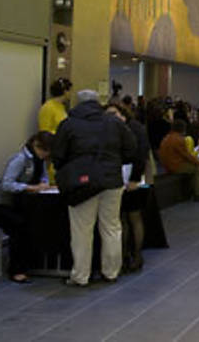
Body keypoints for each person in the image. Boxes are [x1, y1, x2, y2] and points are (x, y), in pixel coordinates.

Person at [52, 89, 136, 287]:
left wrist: (71, 169)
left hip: (83, 184)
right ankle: (111, 272)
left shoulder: (69, 124)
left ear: (78, 103)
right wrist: (114, 163)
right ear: (98, 102)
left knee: (82, 230)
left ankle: (81, 276)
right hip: (112, 181)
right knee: (111, 227)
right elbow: (132, 149)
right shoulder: (114, 122)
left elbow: (58, 155)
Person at [0, 131, 54, 283]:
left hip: (15, 204)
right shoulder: (20, 159)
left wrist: (43, 185)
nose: (45, 155)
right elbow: (7, 184)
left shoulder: (39, 162)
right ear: (36, 145)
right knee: (20, 227)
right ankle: (16, 270)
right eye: (44, 151)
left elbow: (43, 178)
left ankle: (30, 264)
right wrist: (30, 187)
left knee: (32, 223)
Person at [106, 102, 149, 273]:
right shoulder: (116, 128)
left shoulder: (134, 128)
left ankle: (136, 255)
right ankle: (123, 256)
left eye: (114, 113)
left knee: (133, 217)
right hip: (118, 178)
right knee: (121, 218)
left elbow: (141, 152)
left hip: (132, 178)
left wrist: (135, 178)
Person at [158, 119, 199, 201]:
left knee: (192, 166)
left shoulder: (166, 138)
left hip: (167, 165)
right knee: (196, 168)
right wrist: (198, 161)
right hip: (176, 166)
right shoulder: (179, 139)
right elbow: (187, 155)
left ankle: (193, 191)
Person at [38, 77, 72, 185]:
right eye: (70, 90)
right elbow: (44, 131)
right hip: (52, 149)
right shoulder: (48, 107)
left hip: (61, 148)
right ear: (65, 91)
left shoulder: (61, 107)